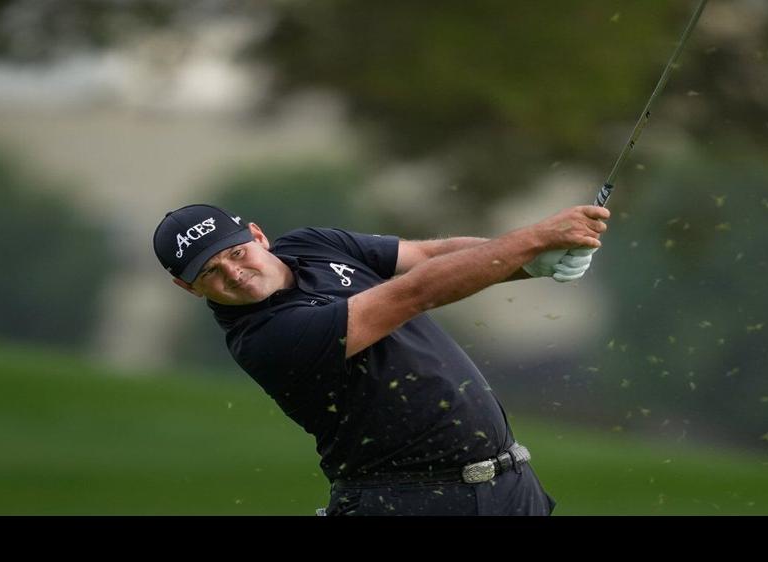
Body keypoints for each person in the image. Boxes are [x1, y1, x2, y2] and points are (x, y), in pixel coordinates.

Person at [151, 202, 610, 515]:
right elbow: (415, 292)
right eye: (210, 272)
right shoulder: (264, 338)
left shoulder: (312, 244)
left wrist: (533, 263)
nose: (234, 272)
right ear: (187, 287)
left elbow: (426, 256)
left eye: (236, 253)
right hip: (406, 500)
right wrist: (533, 239)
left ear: (258, 236)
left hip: (510, 486)